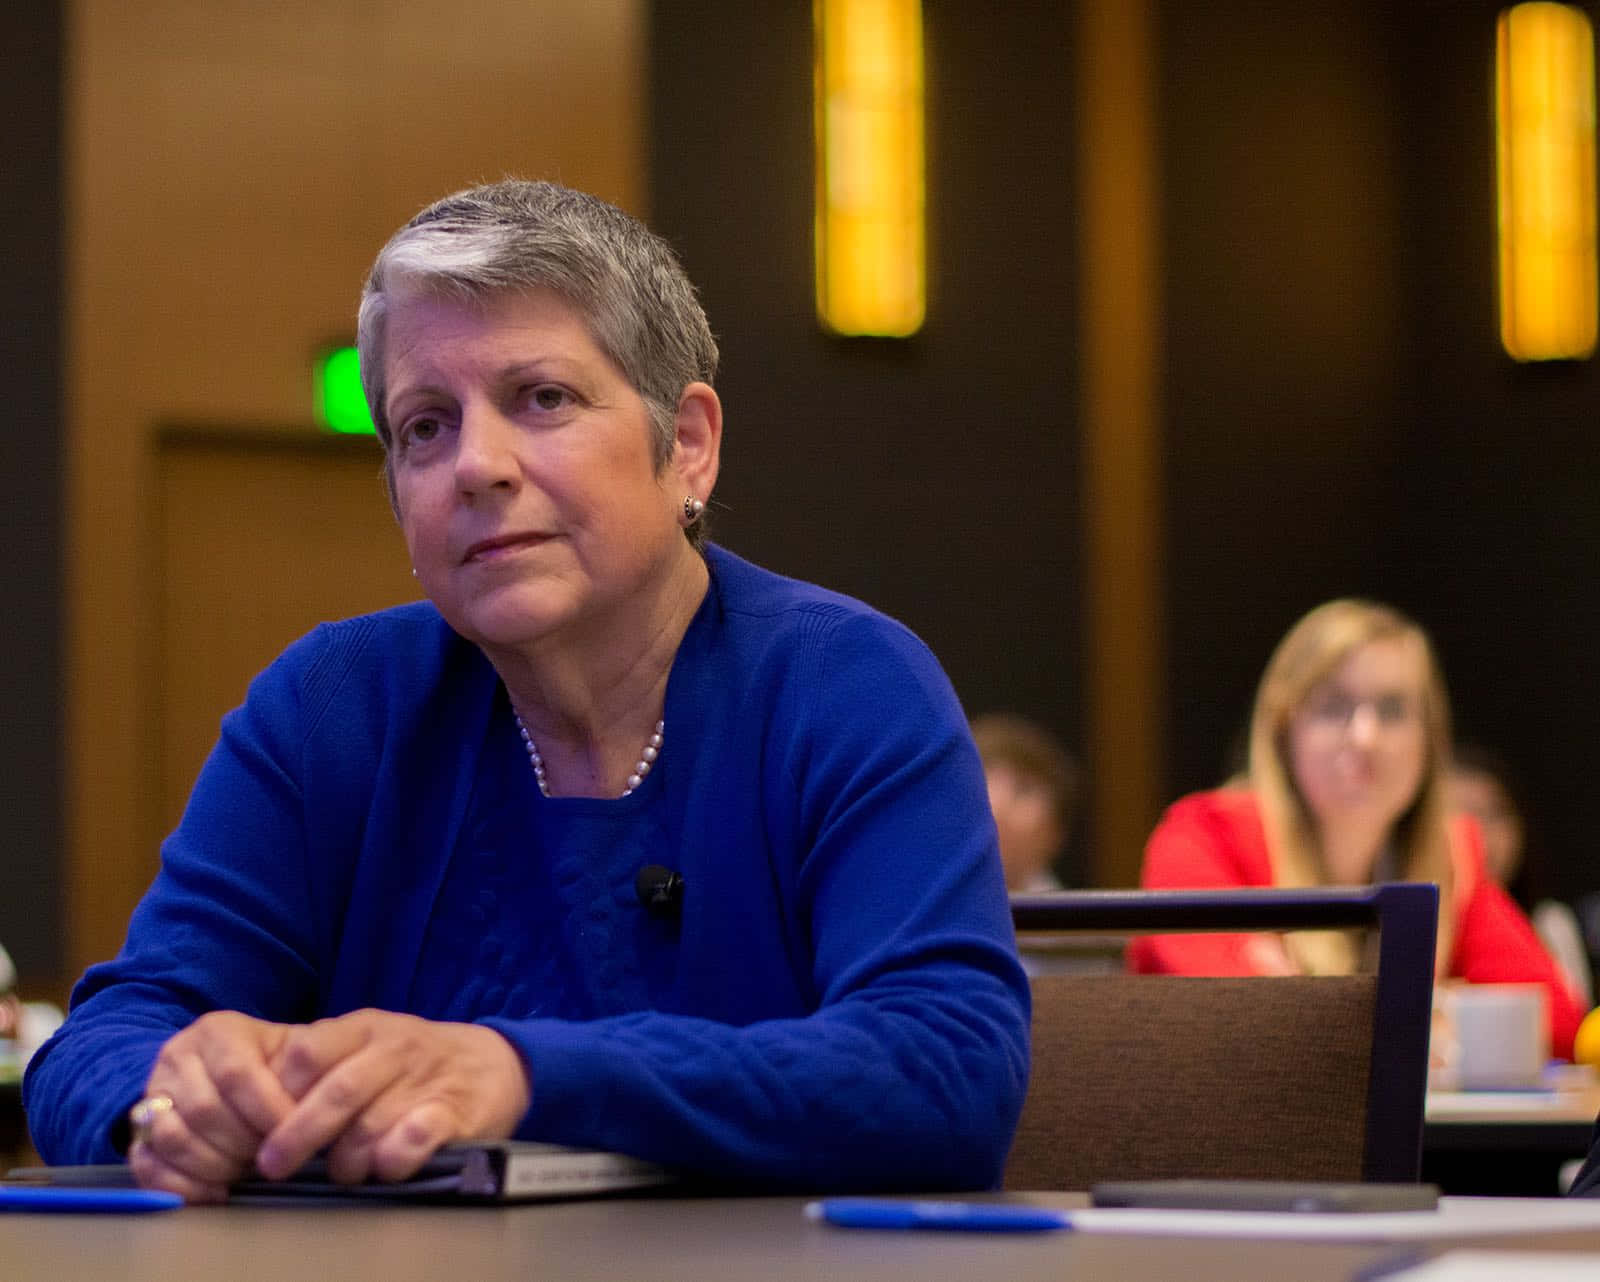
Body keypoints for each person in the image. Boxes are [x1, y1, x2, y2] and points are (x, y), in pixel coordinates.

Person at [23, 180, 1030, 1201]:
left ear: (686, 445)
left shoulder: (843, 683)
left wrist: (520, 1075)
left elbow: (943, 1070)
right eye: (425, 426)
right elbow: (102, 1041)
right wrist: (169, 1107)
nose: (476, 465)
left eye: (542, 399)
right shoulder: (331, 706)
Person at [1130, 599, 1584, 1061]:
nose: (1365, 737)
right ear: (1284, 732)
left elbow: (1560, 1025)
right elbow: (1248, 1017)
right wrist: (1428, 1020)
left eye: (1392, 709)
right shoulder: (1202, 835)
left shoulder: (1451, 855)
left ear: (1429, 739)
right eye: (1333, 707)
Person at [1450, 743, 1595, 1008]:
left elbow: (1576, 1022)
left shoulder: (1550, 924)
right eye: (1461, 812)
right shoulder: (1425, 936)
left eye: (1495, 813)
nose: (1480, 832)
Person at [970, 714, 1078, 892]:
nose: (997, 807)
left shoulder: (1076, 910)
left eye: (1023, 789)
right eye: (981, 783)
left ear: (1056, 832)